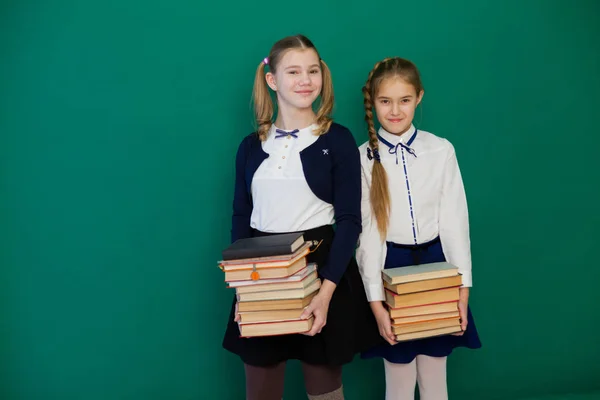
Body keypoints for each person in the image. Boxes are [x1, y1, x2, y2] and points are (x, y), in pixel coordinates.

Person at [222, 34, 381, 400]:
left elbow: (349, 222)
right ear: (272, 80)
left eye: (313, 71)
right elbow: (240, 214)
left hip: (321, 270)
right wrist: (245, 287)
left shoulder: (337, 139)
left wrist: (326, 292)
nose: (305, 80)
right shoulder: (250, 145)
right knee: (261, 389)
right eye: (293, 72)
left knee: (325, 389)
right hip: (262, 273)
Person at [355, 57, 482, 400]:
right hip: (390, 269)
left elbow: (455, 221)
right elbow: (367, 237)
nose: (395, 110)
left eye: (404, 100)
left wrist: (463, 288)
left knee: (434, 370)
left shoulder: (440, 150)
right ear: (373, 101)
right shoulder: (362, 158)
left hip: (437, 267)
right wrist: (375, 301)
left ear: (419, 98)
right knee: (397, 375)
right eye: (385, 101)